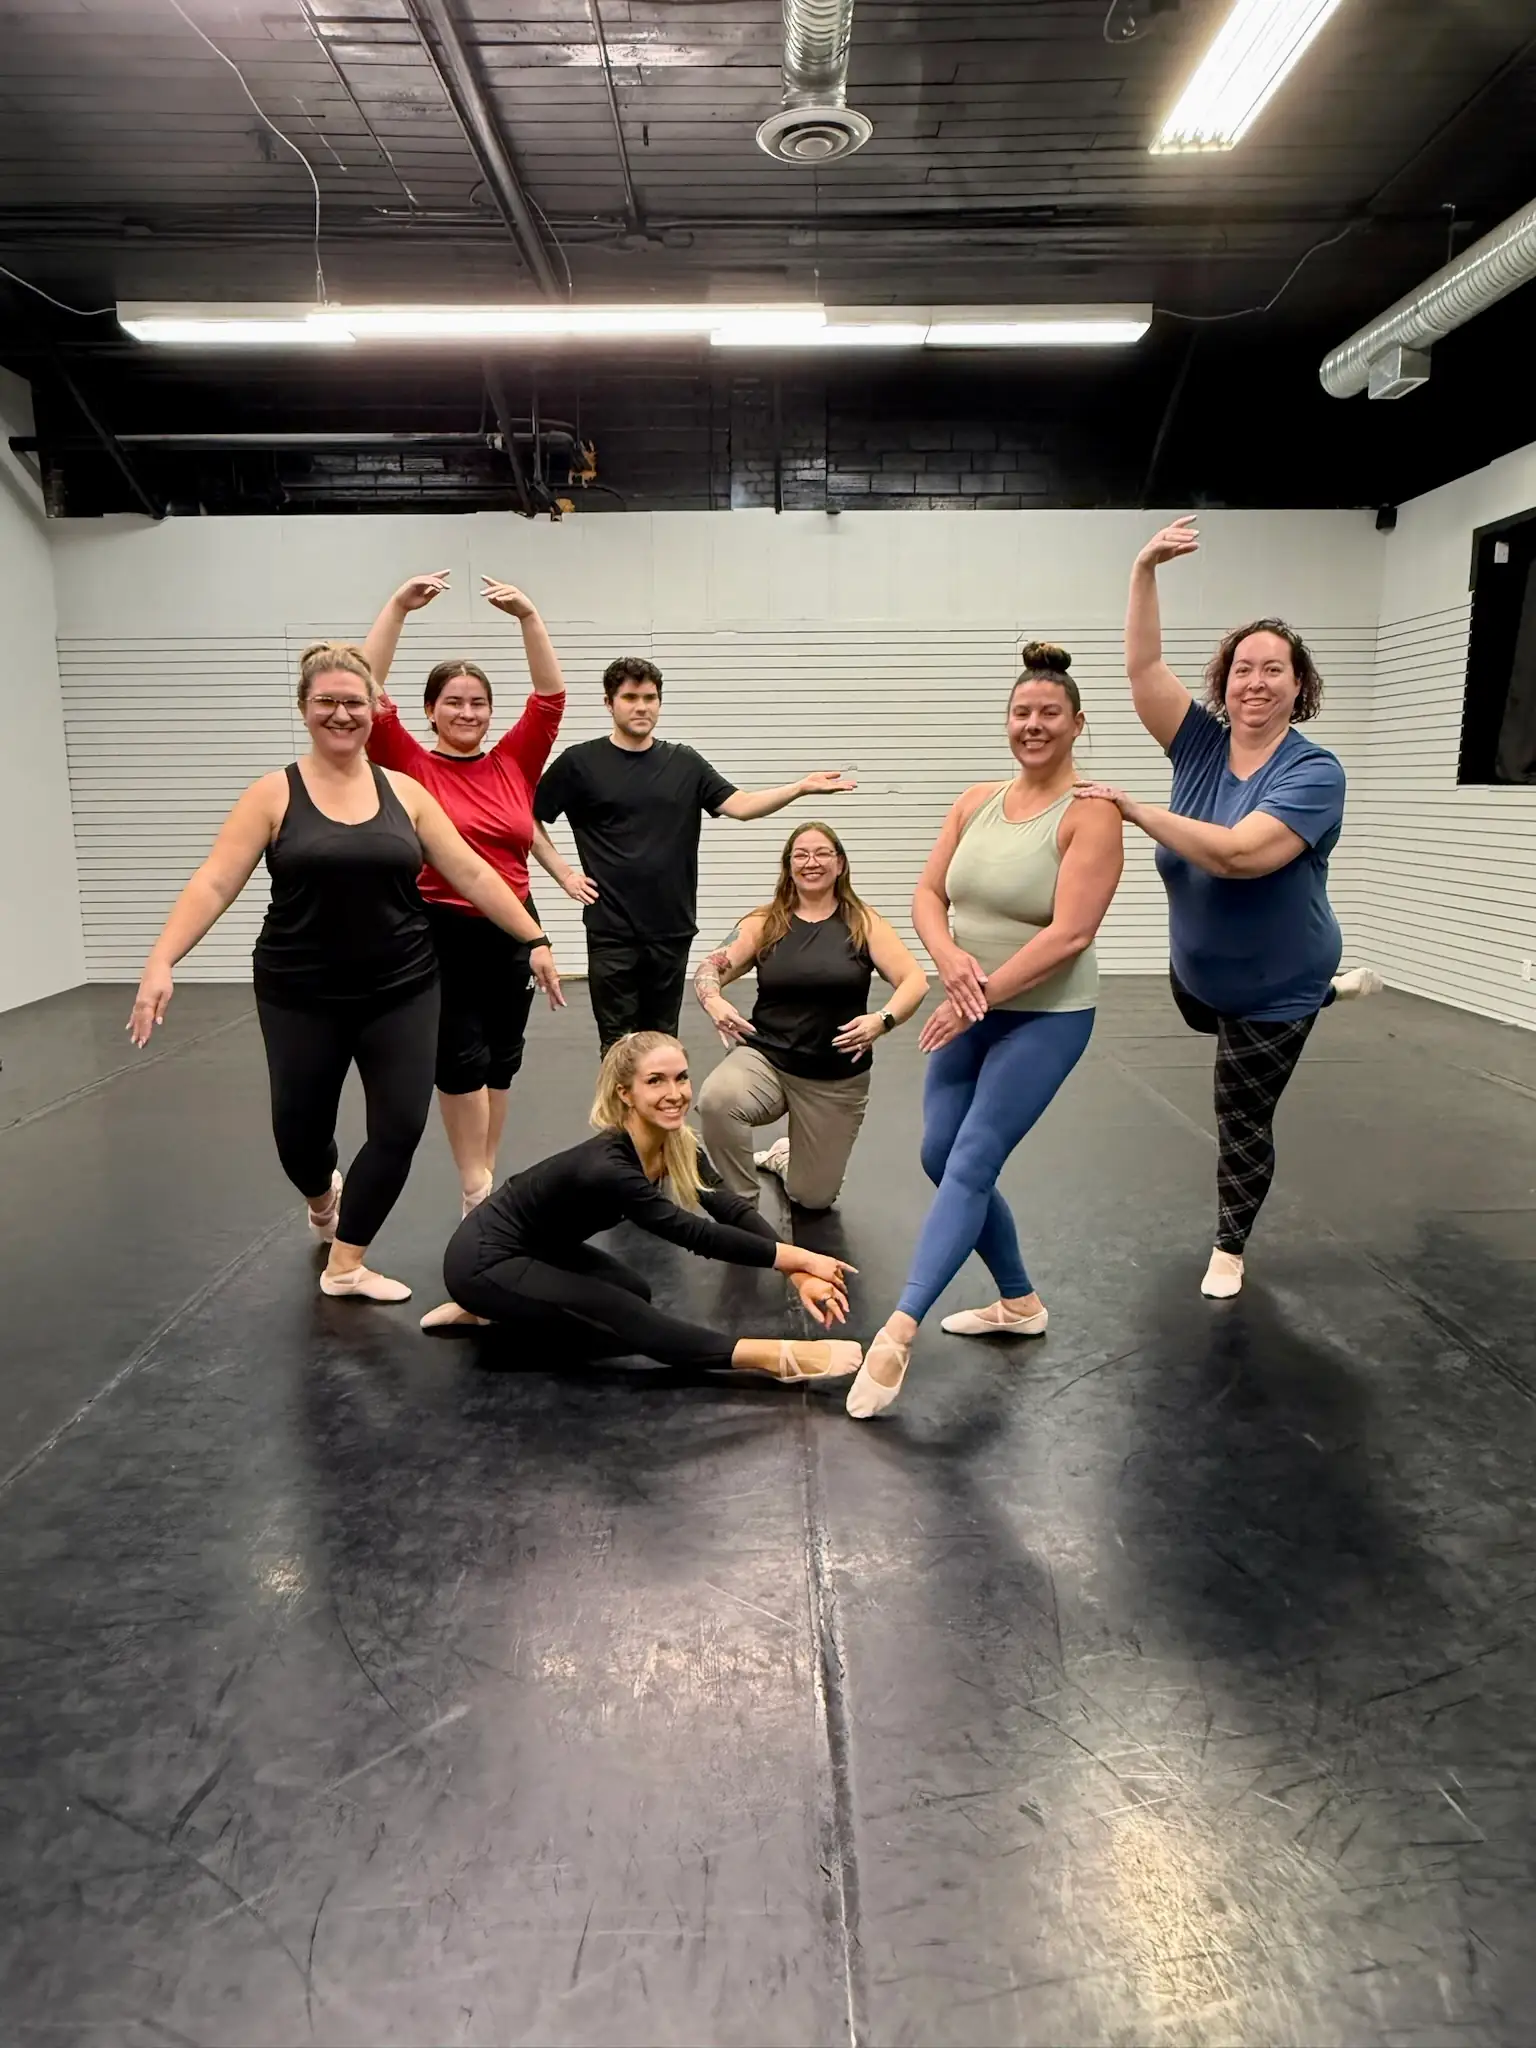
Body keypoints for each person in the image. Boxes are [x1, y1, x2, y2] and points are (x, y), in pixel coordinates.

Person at [127, 641, 565, 1304]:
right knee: (298, 1135)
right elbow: (215, 881)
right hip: (300, 992)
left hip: (403, 987)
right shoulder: (273, 794)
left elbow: (472, 871)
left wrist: (534, 935)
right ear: (304, 709)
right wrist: (161, 960)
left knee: (399, 1128)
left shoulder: (407, 793)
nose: (341, 713)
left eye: (353, 702)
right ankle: (322, 1193)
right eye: (327, 702)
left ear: (373, 710)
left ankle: (347, 1261)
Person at [1073, 515, 1383, 1301]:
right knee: (1200, 1016)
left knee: (1239, 1111)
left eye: (1273, 669)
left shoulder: (1315, 773)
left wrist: (1137, 809)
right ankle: (1328, 997)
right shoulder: (1200, 745)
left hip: (1277, 979)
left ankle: (1230, 1246)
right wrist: (1143, 567)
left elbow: (1240, 855)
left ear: (1298, 686)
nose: (1255, 681)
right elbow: (1143, 666)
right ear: (1225, 680)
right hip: (1197, 976)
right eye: (1243, 667)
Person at [845, 643, 1124, 1420]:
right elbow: (929, 892)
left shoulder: (1092, 815)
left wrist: (980, 992)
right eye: (1021, 713)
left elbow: (1070, 935)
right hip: (970, 1005)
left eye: (1049, 714)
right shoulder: (975, 801)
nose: (1032, 726)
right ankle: (1019, 1303)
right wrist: (949, 963)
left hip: (1045, 1017)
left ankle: (899, 1330)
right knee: (940, 1154)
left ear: (1076, 724)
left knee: (971, 1158)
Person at [422, 1032, 864, 1384]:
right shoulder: (609, 1166)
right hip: (480, 1260)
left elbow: (727, 1207)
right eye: (656, 1081)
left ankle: (491, 1310)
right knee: (626, 1319)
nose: (675, 1094)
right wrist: (804, 1256)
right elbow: (693, 1234)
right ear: (626, 1094)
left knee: (633, 1293)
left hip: (539, 1250)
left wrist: (796, 1271)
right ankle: (771, 1358)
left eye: (681, 1078)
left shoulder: (677, 1143)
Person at [360, 570, 589, 1215]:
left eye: (477, 703)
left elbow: (550, 698)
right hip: (436, 923)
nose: (467, 713)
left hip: (513, 920)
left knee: (500, 1059)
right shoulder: (408, 760)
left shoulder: (513, 761)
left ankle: (483, 1178)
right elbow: (366, 687)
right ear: (430, 710)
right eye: (453, 703)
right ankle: (473, 1184)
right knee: (457, 1057)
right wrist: (398, 607)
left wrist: (530, 618)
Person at [532, 654, 858, 1051]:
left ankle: (656, 1115)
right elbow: (527, 818)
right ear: (609, 703)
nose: (641, 707)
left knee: (663, 1040)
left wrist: (799, 788)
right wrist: (564, 874)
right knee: (619, 1044)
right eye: (630, 697)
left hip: (671, 928)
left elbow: (741, 806)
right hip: (611, 929)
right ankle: (621, 1116)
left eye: (650, 698)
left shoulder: (683, 763)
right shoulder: (580, 764)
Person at [692, 821, 928, 1211]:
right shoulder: (765, 922)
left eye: (822, 853)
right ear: (788, 866)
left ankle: (784, 1157)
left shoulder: (863, 923)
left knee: (812, 1198)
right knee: (717, 1099)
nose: (811, 862)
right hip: (766, 1059)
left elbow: (914, 980)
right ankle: (740, 1203)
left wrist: (882, 1020)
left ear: (840, 864)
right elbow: (710, 967)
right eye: (800, 855)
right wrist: (713, 999)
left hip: (834, 1077)